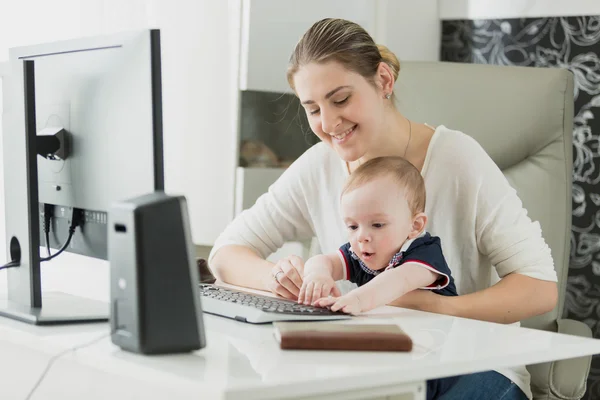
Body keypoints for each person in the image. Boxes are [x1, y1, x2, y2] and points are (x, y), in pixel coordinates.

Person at [208, 17, 558, 400]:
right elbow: (226, 253)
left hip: (472, 367)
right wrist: (277, 278)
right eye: (312, 109)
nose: (328, 123)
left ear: (384, 82)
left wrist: (434, 308)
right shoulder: (319, 165)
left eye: (340, 99)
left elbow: (539, 289)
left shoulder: (458, 159)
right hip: (370, 371)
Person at [299, 156, 457, 314]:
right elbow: (324, 260)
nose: (362, 236)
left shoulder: (425, 252)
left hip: (441, 333)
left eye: (377, 225)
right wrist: (317, 275)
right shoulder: (359, 253)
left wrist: (357, 300)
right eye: (353, 226)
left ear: (415, 226)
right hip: (391, 332)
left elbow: (397, 281)